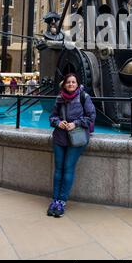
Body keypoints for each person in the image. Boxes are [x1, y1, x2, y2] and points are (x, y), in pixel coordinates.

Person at [47, 73, 96, 218]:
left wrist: (76, 123)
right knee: (58, 169)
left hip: (76, 138)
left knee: (68, 168)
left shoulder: (84, 97)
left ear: (77, 84)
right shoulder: (59, 98)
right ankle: (54, 200)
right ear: (64, 84)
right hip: (60, 138)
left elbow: (91, 117)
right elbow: (52, 117)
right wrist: (58, 123)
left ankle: (62, 201)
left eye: (73, 82)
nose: (71, 84)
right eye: (68, 82)